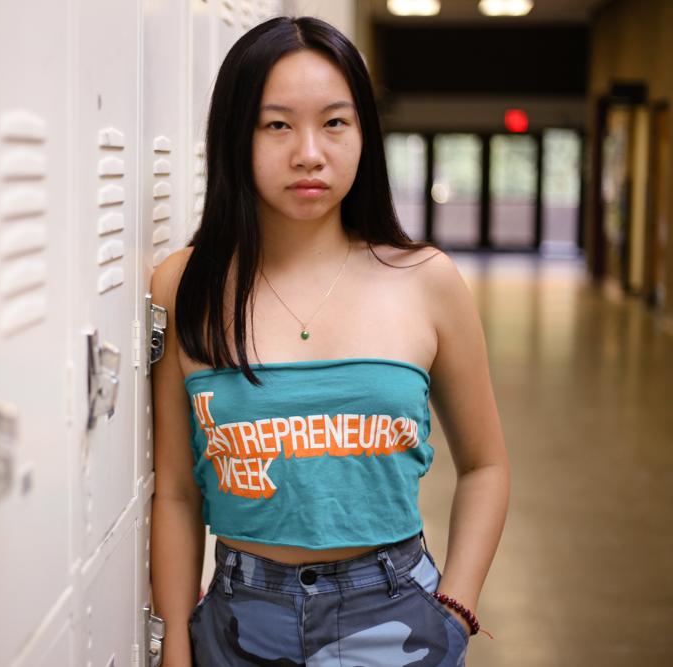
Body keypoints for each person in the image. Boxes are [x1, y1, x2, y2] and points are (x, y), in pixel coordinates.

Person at [148, 15, 510, 667]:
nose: (309, 152)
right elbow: (175, 490)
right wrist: (176, 636)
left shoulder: (426, 281)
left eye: (335, 122)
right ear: (236, 136)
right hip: (238, 621)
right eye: (277, 124)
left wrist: (454, 608)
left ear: (364, 134)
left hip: (396, 613)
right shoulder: (186, 285)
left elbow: (486, 465)